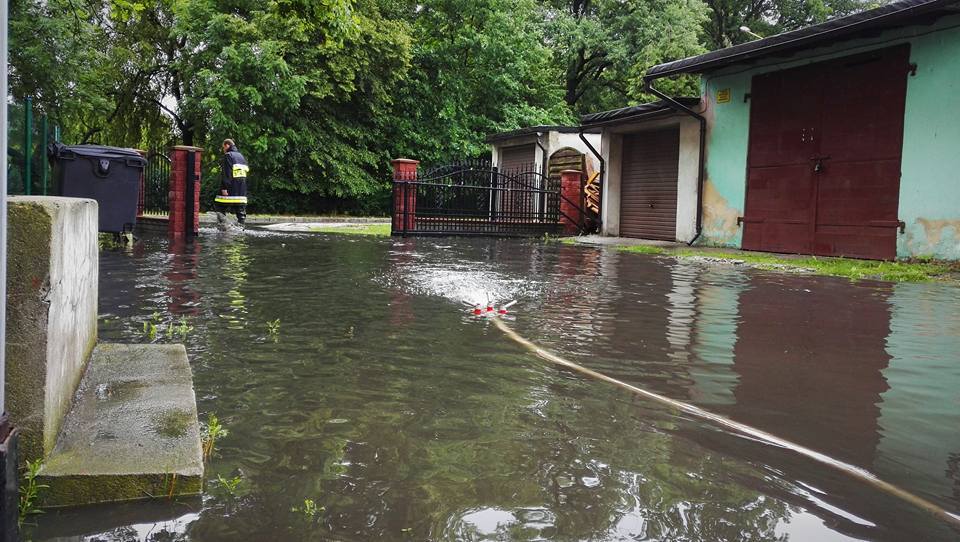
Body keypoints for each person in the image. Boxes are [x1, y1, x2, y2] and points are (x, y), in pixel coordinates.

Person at [215, 138, 249, 227]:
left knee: (219, 207)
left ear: (227, 145)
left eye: (223, 147)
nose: (223, 150)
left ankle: (223, 228)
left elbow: (227, 173)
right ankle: (241, 229)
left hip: (230, 189)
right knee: (240, 212)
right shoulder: (241, 157)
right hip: (241, 190)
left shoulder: (228, 156)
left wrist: (224, 188)